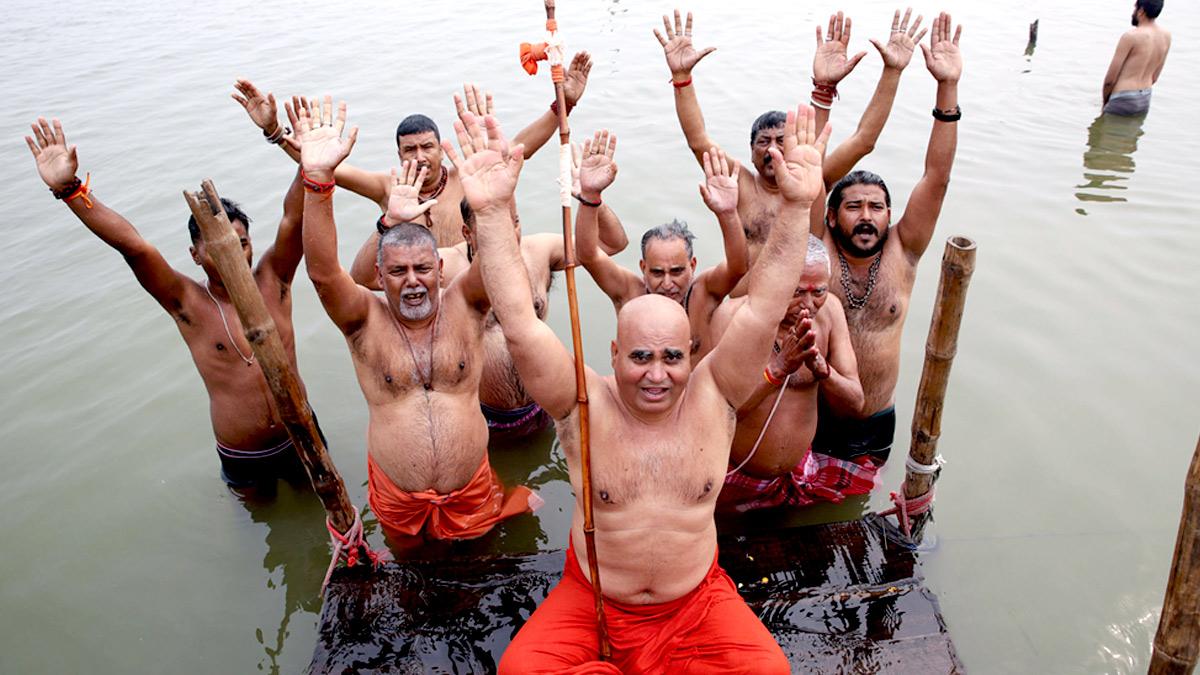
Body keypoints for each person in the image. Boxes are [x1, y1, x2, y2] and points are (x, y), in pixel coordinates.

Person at [448, 102, 827, 672]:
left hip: (698, 602)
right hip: (592, 601)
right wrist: (494, 211)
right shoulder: (582, 404)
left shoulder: (715, 394)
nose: (657, 374)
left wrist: (798, 205)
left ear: (692, 355)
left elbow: (765, 305)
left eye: (673, 357)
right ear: (613, 356)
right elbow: (522, 325)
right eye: (641, 357)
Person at [292, 96, 539, 542]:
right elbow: (323, 273)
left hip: (471, 495)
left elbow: (500, 260)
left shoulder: (466, 303)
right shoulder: (363, 319)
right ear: (379, 277)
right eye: (398, 272)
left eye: (423, 269)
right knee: (408, 586)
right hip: (398, 503)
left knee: (480, 573)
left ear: (442, 269)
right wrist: (318, 179)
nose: (413, 282)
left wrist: (495, 203)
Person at [25, 117, 312, 495]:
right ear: (195, 255)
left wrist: (309, 160)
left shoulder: (274, 280)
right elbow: (134, 247)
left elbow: (294, 219)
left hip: (301, 437)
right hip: (243, 452)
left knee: (324, 518)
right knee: (260, 534)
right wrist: (69, 189)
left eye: (239, 243)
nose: (232, 255)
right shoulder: (187, 303)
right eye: (217, 248)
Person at [340, 92, 630, 442]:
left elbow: (611, 245)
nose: (507, 233)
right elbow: (366, 278)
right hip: (481, 420)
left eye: (514, 222)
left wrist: (591, 196)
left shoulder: (537, 250)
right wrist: (388, 221)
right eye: (493, 224)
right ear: (469, 232)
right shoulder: (449, 265)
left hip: (548, 406)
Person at [808, 12, 963, 498]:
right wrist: (822, 92)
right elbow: (809, 171)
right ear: (833, 217)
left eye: (877, 207)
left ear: (890, 214)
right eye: (853, 207)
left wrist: (947, 89)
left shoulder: (905, 248)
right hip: (810, 413)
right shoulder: (818, 248)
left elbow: (936, 176)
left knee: (854, 511)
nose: (867, 216)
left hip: (874, 422)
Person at [233, 55, 596, 246]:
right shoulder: (386, 188)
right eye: (410, 150)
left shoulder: (466, 177)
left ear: (442, 149)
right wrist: (275, 132)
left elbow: (521, 149)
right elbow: (323, 168)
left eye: (427, 147)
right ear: (398, 155)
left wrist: (563, 105)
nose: (420, 156)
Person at [657, 7, 927, 260]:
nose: (773, 148)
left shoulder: (813, 179)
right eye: (764, 141)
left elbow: (863, 141)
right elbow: (698, 141)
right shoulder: (738, 183)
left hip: (803, 300)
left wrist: (891, 72)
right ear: (751, 154)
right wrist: (682, 77)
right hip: (749, 304)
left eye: (781, 141)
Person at [711, 236, 863, 512]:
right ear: (771, 281)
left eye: (818, 291)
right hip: (734, 475)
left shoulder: (830, 312)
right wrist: (777, 372)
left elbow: (856, 401)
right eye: (796, 292)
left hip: (798, 475)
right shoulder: (734, 318)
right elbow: (718, 415)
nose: (808, 304)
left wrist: (822, 371)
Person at [575, 135, 748, 358]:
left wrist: (728, 214)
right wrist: (590, 194)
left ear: (692, 265)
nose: (667, 284)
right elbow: (588, 256)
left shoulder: (704, 293)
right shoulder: (629, 292)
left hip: (696, 392)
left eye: (677, 271)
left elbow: (738, 267)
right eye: (657, 273)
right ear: (643, 268)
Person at [1102, 0, 1171, 116]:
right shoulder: (1166, 36)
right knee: (1131, 133)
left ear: (1141, 11)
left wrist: (1105, 103)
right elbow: (1154, 77)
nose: (1133, 12)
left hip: (1122, 98)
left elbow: (1110, 81)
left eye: (1135, 8)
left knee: (1103, 133)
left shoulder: (1131, 37)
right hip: (1145, 98)